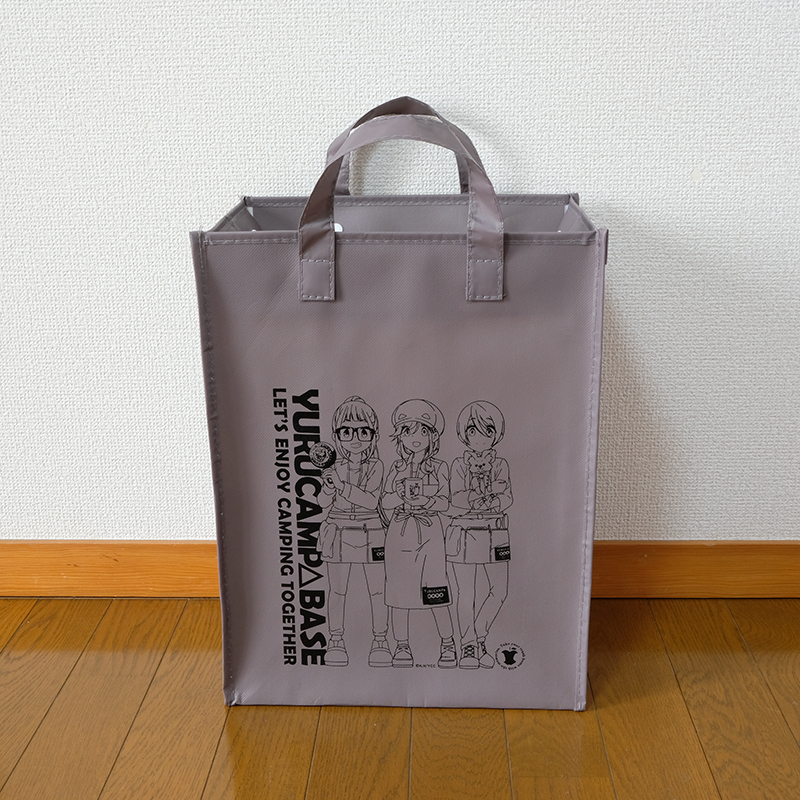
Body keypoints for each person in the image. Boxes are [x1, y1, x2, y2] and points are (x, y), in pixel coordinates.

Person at [382, 399, 456, 668]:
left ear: (432, 436)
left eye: (423, 431)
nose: (415, 438)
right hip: (399, 533)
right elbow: (385, 501)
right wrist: (399, 494)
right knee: (398, 592)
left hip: (429, 533)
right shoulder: (395, 468)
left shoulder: (440, 467)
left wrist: (427, 499)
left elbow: (446, 502)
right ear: (400, 436)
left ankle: (448, 643)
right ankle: (401, 645)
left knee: (436, 588)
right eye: (408, 431)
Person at [318, 397, 391, 667]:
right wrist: (328, 488)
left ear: (373, 435)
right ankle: (335, 639)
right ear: (337, 435)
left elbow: (370, 501)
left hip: (371, 531)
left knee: (378, 591)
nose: (355, 438)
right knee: (337, 591)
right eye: (346, 431)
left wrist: (340, 485)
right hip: (337, 531)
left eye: (363, 431)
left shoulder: (377, 466)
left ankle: (380, 640)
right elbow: (321, 503)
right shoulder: (333, 467)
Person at [447, 401, 513, 669]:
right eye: (472, 430)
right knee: (466, 593)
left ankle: (479, 637)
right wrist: (480, 496)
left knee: (499, 591)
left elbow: (507, 497)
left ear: (497, 433)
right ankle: (468, 646)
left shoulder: (501, 464)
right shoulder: (458, 464)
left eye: (488, 430)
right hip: (464, 533)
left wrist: (492, 500)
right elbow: (455, 498)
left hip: (495, 532)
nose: (480, 437)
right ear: (464, 433)